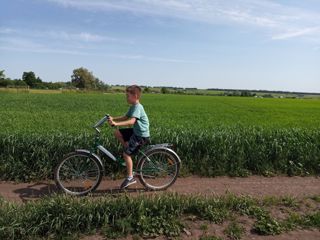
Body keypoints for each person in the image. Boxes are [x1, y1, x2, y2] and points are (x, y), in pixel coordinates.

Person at [107, 85, 150, 189]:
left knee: (126, 155)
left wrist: (116, 124)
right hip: (136, 131)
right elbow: (125, 117)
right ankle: (128, 147)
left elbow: (132, 121)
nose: (126, 98)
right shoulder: (133, 107)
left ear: (135, 96)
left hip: (141, 135)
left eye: (128, 96)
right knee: (117, 133)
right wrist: (114, 118)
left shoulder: (138, 107)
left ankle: (130, 177)